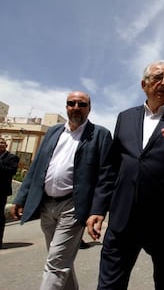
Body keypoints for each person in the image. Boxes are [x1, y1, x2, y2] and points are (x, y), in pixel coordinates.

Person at [87, 60, 164, 290]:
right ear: (144, 85)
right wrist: (98, 208)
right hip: (124, 219)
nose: (163, 82)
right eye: (157, 77)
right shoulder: (125, 117)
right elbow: (112, 167)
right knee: (109, 284)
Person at [11, 91, 112, 290]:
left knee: (55, 265)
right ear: (66, 107)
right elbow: (36, 166)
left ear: (89, 109)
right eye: (71, 103)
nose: (76, 107)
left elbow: (105, 176)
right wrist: (21, 197)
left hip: (73, 207)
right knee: (59, 262)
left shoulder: (100, 135)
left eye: (81, 104)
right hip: (46, 206)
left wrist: (98, 211)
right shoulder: (53, 132)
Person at [0, 137, 19, 249]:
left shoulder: (12, 158)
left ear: (6, 145)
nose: (0, 144)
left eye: (2, 143)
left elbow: (11, 171)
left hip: (1, 191)